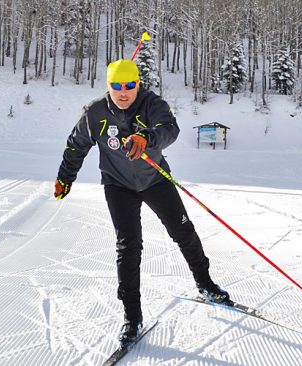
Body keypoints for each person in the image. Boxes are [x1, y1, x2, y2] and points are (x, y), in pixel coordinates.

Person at [54, 59, 232, 346]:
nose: (123, 92)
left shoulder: (152, 104)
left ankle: (206, 284)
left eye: (129, 85)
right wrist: (65, 177)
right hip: (118, 185)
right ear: (108, 86)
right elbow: (76, 145)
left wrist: (147, 136)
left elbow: (169, 128)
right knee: (128, 246)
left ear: (138, 84)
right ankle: (132, 316)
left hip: (156, 180)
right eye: (116, 86)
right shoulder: (95, 113)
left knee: (183, 231)